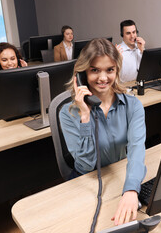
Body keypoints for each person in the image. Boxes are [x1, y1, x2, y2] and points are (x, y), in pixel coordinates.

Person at [59, 38, 146, 225]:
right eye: (95, 70)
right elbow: (86, 164)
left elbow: (137, 151)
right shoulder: (68, 114)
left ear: (117, 71)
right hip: (86, 182)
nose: (103, 78)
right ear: (81, 74)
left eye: (110, 70)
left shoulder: (133, 106)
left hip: (120, 174)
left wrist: (131, 190)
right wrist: (85, 116)